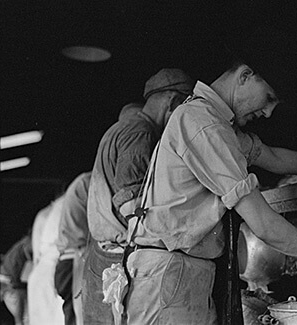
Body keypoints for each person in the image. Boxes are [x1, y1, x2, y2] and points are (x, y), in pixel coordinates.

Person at [122, 46, 297, 324]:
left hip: (176, 272)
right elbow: (263, 224)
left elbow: (275, 158)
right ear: (245, 76)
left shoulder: (213, 120)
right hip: (170, 278)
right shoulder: (204, 126)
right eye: (269, 98)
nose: (268, 113)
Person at [83, 68, 195, 325]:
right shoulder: (140, 132)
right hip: (117, 257)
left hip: (101, 253)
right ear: (173, 102)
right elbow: (130, 204)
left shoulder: (120, 128)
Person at [54, 172, 91, 325]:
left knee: (72, 317)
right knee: (79, 316)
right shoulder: (88, 183)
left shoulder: (79, 184)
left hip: (64, 262)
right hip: (74, 260)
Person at [28, 195, 66, 325]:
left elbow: (36, 256)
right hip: (50, 272)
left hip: (41, 273)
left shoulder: (45, 214)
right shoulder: (57, 210)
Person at [0, 232, 33, 325]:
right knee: (26, 318)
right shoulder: (19, 254)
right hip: (11, 287)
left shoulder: (21, 249)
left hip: (12, 285)